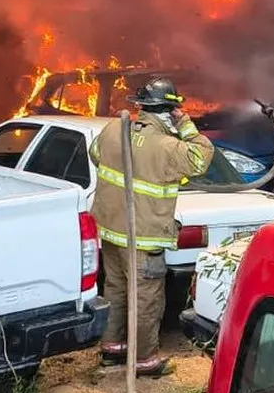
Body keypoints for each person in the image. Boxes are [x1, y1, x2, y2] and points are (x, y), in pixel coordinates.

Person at [89, 76, 214, 376]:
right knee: (145, 300)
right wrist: (185, 125)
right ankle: (144, 360)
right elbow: (202, 156)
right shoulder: (168, 146)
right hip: (143, 238)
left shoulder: (113, 129)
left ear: (142, 106)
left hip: (110, 231)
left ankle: (113, 348)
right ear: (169, 111)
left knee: (115, 290)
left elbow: (95, 154)